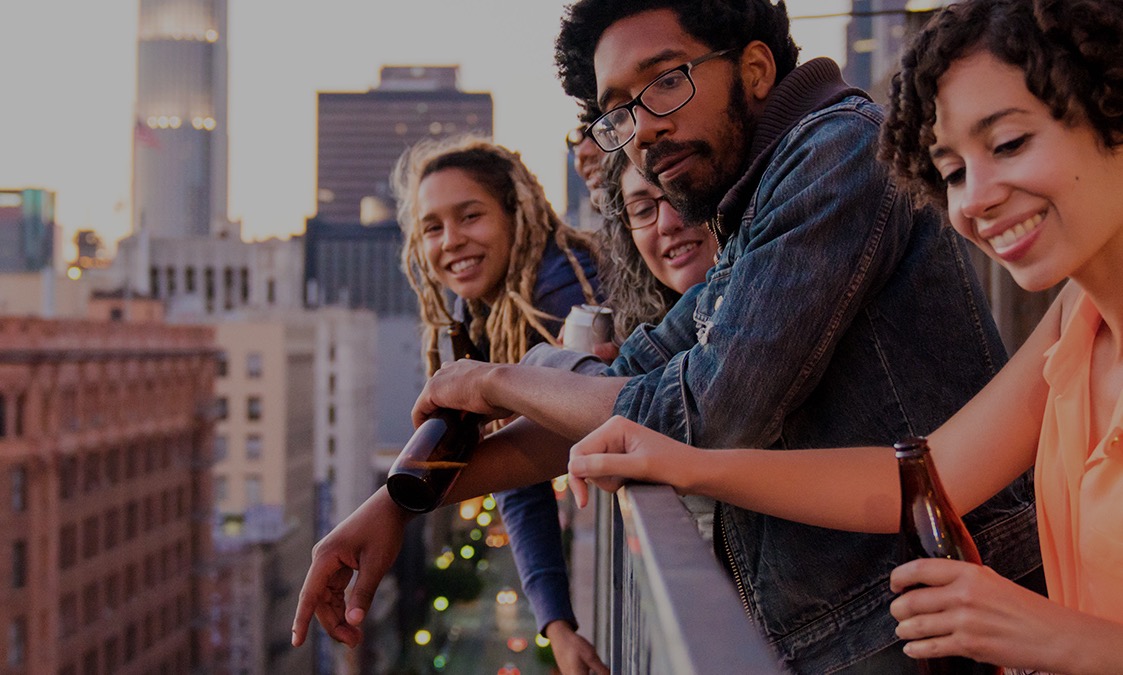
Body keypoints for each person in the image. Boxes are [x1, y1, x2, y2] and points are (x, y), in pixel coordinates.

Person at [292, 2, 1041, 671]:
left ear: (752, 68)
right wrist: (394, 505)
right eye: (618, 109)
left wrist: (494, 380)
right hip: (862, 629)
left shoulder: (834, 154)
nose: (643, 127)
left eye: (664, 83)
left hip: (935, 627)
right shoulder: (753, 209)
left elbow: (711, 413)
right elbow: (628, 387)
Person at [568, 0, 1123, 672]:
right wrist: (682, 463)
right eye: (949, 171)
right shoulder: (1076, 319)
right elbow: (919, 475)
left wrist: (1050, 634)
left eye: (1007, 144)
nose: (972, 199)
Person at [392, 135, 606, 674]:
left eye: (470, 217)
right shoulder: (482, 313)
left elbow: (532, 456)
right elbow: (515, 468)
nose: (451, 241)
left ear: (517, 213)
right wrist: (556, 623)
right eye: (432, 227)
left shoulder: (558, 296)